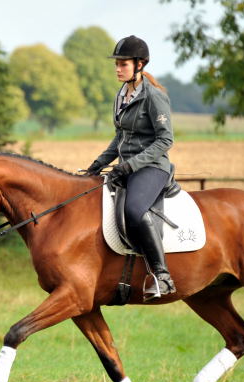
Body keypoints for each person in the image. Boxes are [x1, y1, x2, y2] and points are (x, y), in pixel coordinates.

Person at [85, 35, 176, 300]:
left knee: (135, 211)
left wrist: (131, 165)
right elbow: (120, 138)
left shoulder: (154, 96)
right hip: (126, 168)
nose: (117, 68)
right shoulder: (121, 95)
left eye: (123, 64)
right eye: (116, 64)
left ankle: (162, 275)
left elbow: (165, 140)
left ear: (140, 64)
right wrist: (97, 164)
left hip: (152, 168)